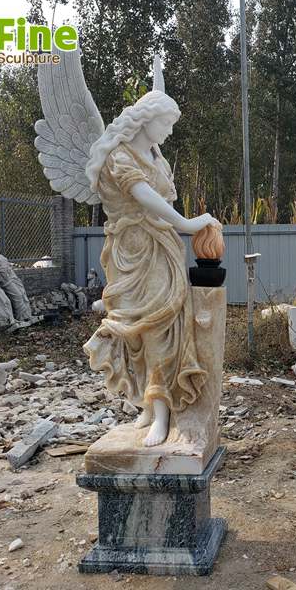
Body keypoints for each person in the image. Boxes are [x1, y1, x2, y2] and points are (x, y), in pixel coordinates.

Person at [82, 89, 219, 447]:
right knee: (135, 332)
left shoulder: (157, 157)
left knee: (160, 328)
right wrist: (189, 224)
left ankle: (162, 412)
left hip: (162, 251)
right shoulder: (119, 157)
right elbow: (146, 198)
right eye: (167, 123)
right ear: (147, 120)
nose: (170, 132)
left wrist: (185, 229)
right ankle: (147, 401)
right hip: (130, 252)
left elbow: (163, 202)